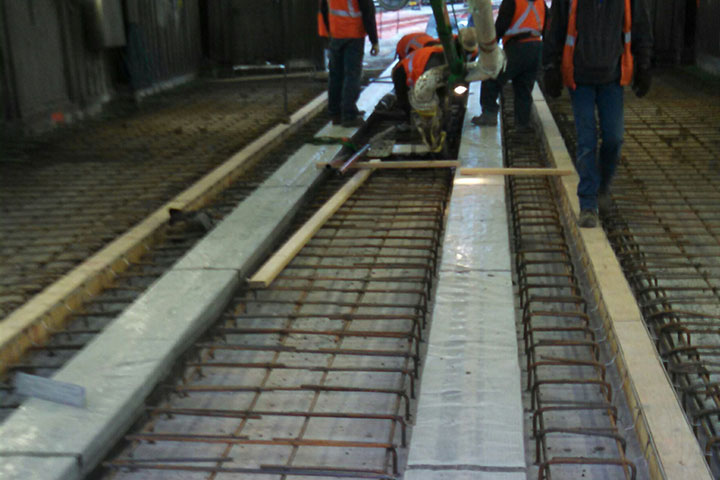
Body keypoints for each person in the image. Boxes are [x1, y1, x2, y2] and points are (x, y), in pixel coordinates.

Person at [543, 0, 653, 228]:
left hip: (612, 79)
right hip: (579, 79)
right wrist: (550, 66)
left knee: (613, 138)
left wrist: (644, 65)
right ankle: (588, 204)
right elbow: (555, 30)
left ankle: (602, 187)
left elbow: (641, 29)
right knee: (587, 141)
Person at [472, 0, 546, 129]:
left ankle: (489, 113)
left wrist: (490, 46)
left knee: (491, 75)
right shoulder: (540, 2)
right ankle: (522, 123)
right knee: (524, 86)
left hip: (517, 47)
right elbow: (548, 24)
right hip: (537, 47)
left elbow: (501, 24)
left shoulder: (513, 1)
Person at [319, 0, 380, 128]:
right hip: (354, 34)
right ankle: (349, 115)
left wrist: (330, 31)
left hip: (336, 33)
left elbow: (324, 8)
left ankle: (336, 114)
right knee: (352, 75)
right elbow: (368, 12)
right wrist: (374, 40)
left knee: (335, 74)